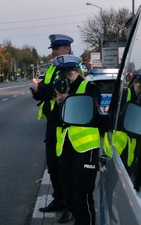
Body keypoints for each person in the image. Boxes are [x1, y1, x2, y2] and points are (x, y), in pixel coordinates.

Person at [52, 54, 104, 225]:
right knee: (68, 193)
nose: (64, 77)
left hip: (85, 150)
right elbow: (55, 120)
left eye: (67, 73)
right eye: (62, 74)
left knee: (82, 194)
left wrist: (68, 100)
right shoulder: (61, 89)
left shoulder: (90, 87)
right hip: (65, 147)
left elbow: (92, 115)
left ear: (76, 71)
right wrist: (59, 102)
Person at [30, 34, 74, 222]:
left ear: (68, 49)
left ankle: (70, 206)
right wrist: (39, 93)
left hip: (67, 125)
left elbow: (69, 91)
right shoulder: (53, 69)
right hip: (53, 124)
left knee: (67, 168)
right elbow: (47, 88)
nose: (54, 52)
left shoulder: (73, 69)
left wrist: (48, 90)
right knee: (53, 165)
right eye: (53, 49)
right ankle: (59, 199)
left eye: (58, 48)